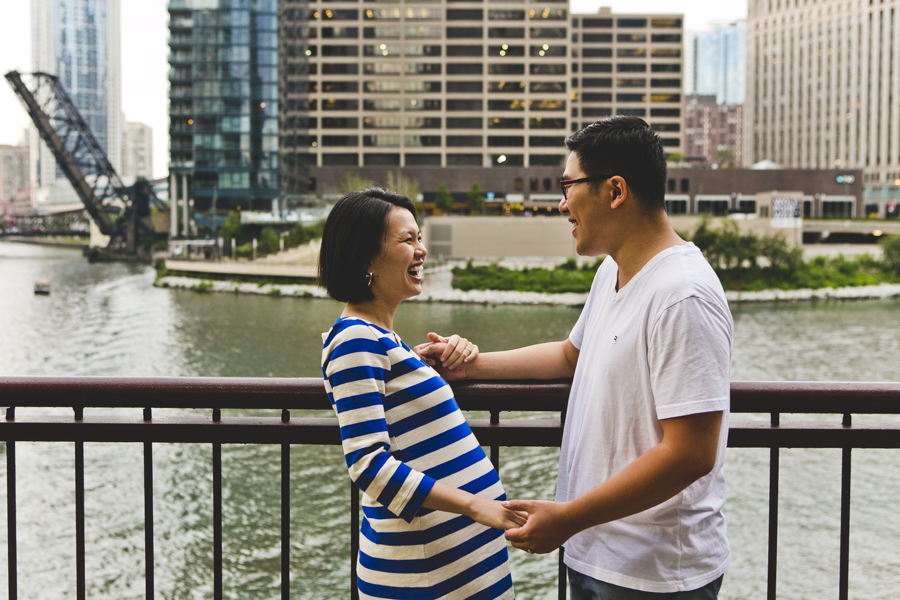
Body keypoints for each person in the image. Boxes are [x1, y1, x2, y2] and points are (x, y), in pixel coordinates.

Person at [416, 116, 732, 599]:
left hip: (654, 573)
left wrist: (568, 517)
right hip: (596, 552)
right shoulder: (612, 270)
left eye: (568, 186)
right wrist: (471, 365)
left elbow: (691, 452)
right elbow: (570, 356)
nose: (562, 204)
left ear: (615, 190)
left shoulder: (682, 294)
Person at [319, 187, 523, 600]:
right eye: (407, 240)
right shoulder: (355, 340)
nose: (422, 250)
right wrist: (474, 506)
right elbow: (368, 464)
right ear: (366, 259)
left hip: (450, 566)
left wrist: (433, 364)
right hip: (422, 573)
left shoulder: (381, 340)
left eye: (420, 237)